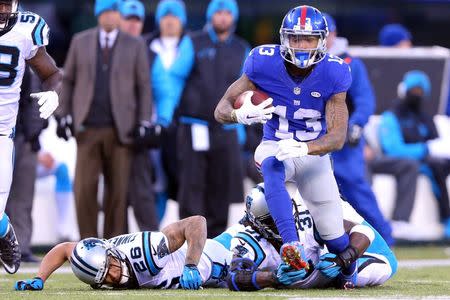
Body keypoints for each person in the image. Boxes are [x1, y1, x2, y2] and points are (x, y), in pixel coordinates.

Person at [215, 5, 357, 285]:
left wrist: (305, 148)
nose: (302, 46)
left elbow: (338, 137)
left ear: (322, 40)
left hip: (314, 154)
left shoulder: (335, 72)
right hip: (276, 143)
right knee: (272, 164)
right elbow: (220, 109)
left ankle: (349, 272)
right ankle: (292, 245)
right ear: (284, 39)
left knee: (334, 235)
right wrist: (237, 115)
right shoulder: (262, 62)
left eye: (309, 39)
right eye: (295, 38)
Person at [56, 0, 152, 239]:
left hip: (121, 130)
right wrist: (63, 114)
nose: (110, 17)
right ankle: (88, 245)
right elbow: (67, 80)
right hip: (87, 127)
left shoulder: (135, 44)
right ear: (99, 15)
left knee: (118, 193)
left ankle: (113, 247)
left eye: (114, 12)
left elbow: (143, 86)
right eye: (106, 12)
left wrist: (143, 121)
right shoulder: (81, 41)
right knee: (84, 190)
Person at [222, 184, 397, 291]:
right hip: (312, 272)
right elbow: (234, 278)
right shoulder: (247, 238)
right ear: (255, 223)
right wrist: (272, 278)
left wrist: (342, 260)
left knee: (380, 267)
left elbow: (363, 232)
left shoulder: (306, 218)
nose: (283, 219)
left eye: (285, 212)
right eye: (273, 218)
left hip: (336, 263)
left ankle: (345, 274)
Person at [177, 0, 250, 237]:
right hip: (194, 125)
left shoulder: (242, 48)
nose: (223, 17)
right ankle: (187, 239)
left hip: (227, 128)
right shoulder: (193, 42)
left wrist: (241, 125)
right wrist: (166, 116)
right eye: (218, 12)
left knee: (222, 186)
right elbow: (174, 79)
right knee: (192, 186)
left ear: (234, 17)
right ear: (211, 15)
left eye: (227, 12)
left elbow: (248, 90)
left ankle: (215, 243)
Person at [0, 0, 61, 274]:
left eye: (5, 5)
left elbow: (52, 74)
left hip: (3, 131)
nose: (2, 11)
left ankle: (4, 231)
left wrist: (53, 92)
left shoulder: (27, 29)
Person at [323, 13, 394, 246]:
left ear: (334, 34)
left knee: (355, 187)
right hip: (314, 138)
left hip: (343, 140)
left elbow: (364, 99)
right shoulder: (303, 64)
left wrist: (356, 125)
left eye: (326, 34)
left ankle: (384, 237)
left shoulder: (349, 63)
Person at [14, 216, 232, 291]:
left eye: (110, 268)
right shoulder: (95, 255)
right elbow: (65, 248)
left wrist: (191, 265)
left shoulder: (148, 251)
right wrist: (39, 278)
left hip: (219, 259)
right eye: (104, 279)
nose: (113, 278)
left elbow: (196, 222)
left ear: (112, 254)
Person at [379, 70, 450, 238]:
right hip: (409, 163)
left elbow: (435, 143)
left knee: (440, 164)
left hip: (430, 162)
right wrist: (424, 150)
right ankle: (446, 219)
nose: (417, 95)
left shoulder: (425, 118)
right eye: (414, 90)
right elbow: (393, 149)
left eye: (421, 91)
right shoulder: (391, 117)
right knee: (437, 168)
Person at [144, 0, 190, 221]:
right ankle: (155, 235)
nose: (170, 21)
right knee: (157, 179)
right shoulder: (146, 46)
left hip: (184, 124)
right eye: (165, 16)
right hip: (155, 123)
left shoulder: (192, 45)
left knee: (185, 181)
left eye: (175, 16)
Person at [118, 0, 159, 231]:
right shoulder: (110, 49)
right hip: (113, 131)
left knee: (143, 193)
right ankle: (115, 250)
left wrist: (153, 121)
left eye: (137, 20)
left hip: (140, 132)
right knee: (116, 197)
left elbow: (161, 89)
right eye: (128, 19)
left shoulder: (151, 54)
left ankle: (154, 248)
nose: (133, 24)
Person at [6, 66, 47, 263]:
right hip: (4, 135)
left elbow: (41, 100)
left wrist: (34, 131)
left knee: (23, 196)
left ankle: (21, 247)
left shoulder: (35, 63)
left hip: (25, 137)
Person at [36, 152, 74, 242]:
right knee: (63, 213)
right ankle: (63, 234)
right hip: (62, 191)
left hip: (64, 190)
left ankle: (64, 233)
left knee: (64, 214)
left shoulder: (60, 166)